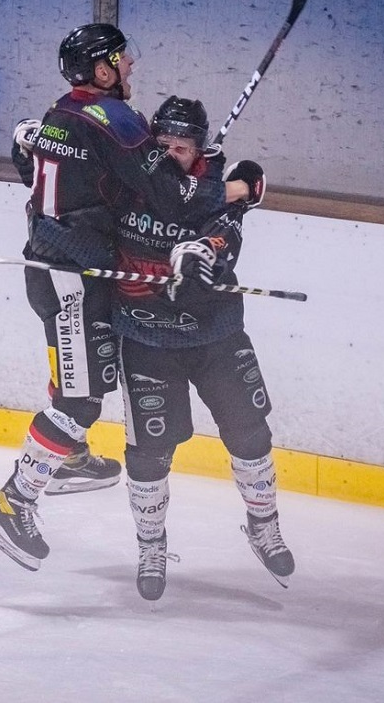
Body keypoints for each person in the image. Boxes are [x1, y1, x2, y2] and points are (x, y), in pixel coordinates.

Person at [0, 24, 246, 572]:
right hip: (71, 274)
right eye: (121, 59)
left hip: (56, 265)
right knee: (81, 399)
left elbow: (35, 165)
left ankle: (68, 456)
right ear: (101, 70)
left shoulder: (61, 111)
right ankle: (12, 503)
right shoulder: (117, 120)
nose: (129, 67)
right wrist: (232, 188)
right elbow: (168, 196)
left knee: (82, 376)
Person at [112, 95, 292, 600]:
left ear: (201, 148)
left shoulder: (222, 183)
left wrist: (203, 253)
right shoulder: (129, 177)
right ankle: (151, 544)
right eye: (164, 144)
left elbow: (227, 228)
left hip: (215, 334)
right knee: (148, 453)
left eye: (183, 147)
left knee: (250, 433)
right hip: (146, 337)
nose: (172, 154)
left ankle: (262, 526)